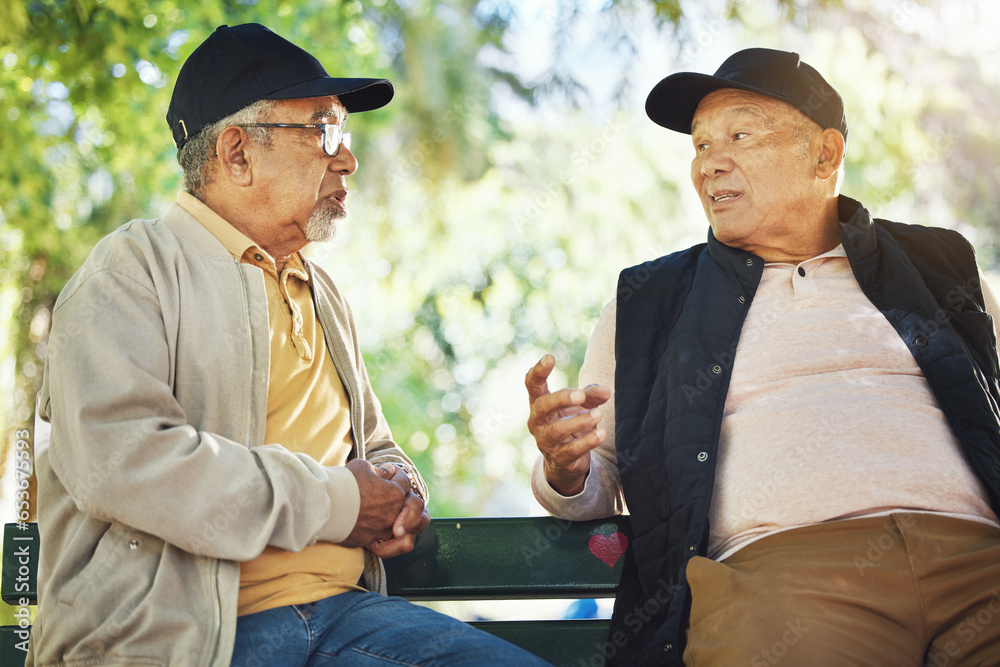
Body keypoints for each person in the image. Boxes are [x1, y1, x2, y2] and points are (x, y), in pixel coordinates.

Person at [29, 23, 549, 667]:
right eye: (323, 130)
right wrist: (337, 502)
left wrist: (397, 497)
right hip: (187, 639)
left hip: (347, 617)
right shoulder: (131, 271)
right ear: (237, 153)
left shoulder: (319, 289)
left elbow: (374, 448)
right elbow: (121, 459)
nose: (347, 159)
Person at [526, 47, 1000, 666]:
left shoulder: (940, 267)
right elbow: (601, 481)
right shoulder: (652, 300)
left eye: (740, 135)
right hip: (785, 577)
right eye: (699, 146)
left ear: (824, 154)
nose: (709, 165)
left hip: (980, 560)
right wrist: (566, 467)